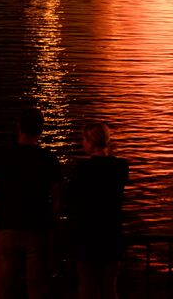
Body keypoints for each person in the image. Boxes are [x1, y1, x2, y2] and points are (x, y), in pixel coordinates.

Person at [0, 105, 62, 299]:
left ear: (18, 127)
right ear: (41, 130)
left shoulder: (1, 157)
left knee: (5, 287)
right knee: (37, 288)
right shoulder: (49, 159)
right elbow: (57, 197)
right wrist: (49, 222)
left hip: (8, 226)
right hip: (38, 228)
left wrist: (0, 223)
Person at [67, 121, 129, 299]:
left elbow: (72, 199)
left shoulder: (81, 170)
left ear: (90, 142)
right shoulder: (121, 167)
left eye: (83, 140)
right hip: (111, 232)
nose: (82, 144)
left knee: (87, 286)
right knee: (110, 287)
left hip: (86, 234)